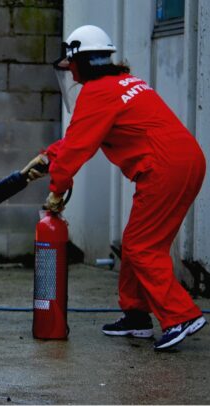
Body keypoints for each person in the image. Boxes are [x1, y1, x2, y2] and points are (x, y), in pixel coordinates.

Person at [23, 25, 207, 351]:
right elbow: (80, 138)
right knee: (138, 241)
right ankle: (136, 316)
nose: (71, 74)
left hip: (164, 168)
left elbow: (79, 147)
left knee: (141, 246)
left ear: (79, 61)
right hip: (183, 161)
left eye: (72, 65)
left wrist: (56, 190)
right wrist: (47, 158)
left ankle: (181, 315)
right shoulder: (121, 83)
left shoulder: (97, 92)